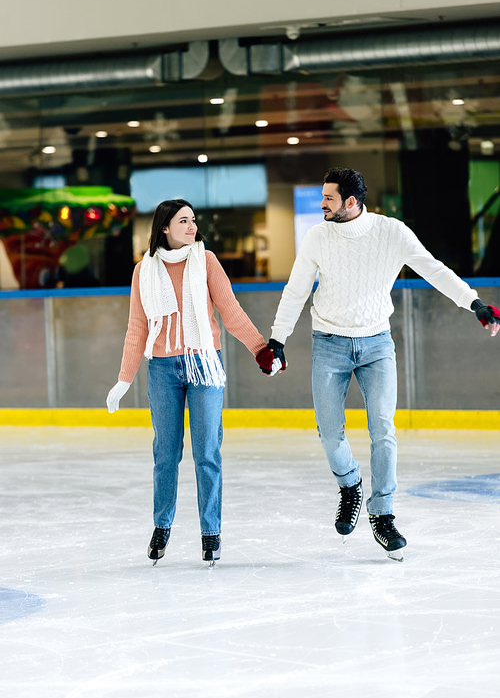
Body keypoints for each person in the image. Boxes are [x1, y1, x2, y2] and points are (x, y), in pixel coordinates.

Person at [257, 167, 500, 562]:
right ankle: (350, 484)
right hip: (329, 344)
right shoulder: (318, 236)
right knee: (329, 431)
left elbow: (433, 269)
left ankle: (382, 513)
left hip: (376, 345)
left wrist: (474, 303)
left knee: (383, 429)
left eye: (328, 199)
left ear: (350, 202)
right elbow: (296, 289)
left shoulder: (392, 233)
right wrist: (277, 340)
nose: (321, 204)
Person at [106, 199, 268, 566]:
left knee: (207, 451)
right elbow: (137, 328)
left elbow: (230, 310)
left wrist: (260, 349)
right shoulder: (143, 271)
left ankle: (211, 532)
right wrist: (123, 379)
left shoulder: (206, 261)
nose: (192, 226)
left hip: (204, 365)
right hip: (162, 369)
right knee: (166, 453)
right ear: (164, 227)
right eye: (183, 220)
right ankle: (161, 525)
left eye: (194, 220)